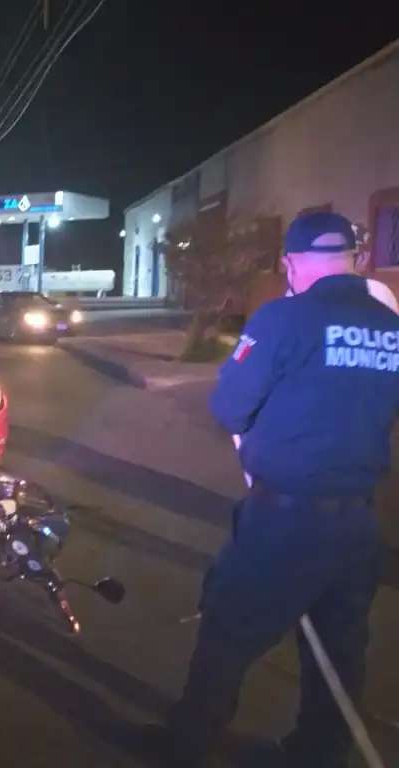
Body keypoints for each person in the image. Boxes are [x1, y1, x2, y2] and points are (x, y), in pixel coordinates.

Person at [163, 212, 399, 767]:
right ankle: (321, 751)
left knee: (227, 633)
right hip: (360, 524)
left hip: (287, 522)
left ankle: (187, 747)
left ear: (291, 264)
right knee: (338, 653)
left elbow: (229, 406)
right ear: (355, 260)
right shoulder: (391, 327)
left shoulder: (283, 318)